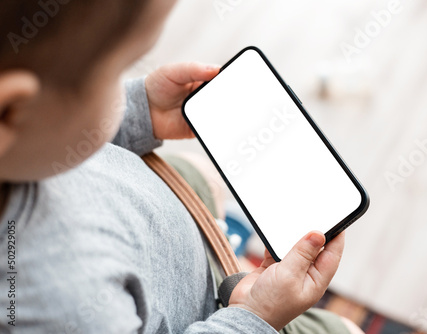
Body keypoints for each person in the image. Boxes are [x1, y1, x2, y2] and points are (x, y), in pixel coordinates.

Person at [0, 0, 363, 333]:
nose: (122, 84)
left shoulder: (19, 154)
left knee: (199, 174)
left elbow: (46, 140)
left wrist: (139, 111)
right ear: (11, 111)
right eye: (117, 71)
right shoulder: (59, 301)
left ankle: (226, 254)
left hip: (153, 223)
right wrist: (256, 317)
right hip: (218, 318)